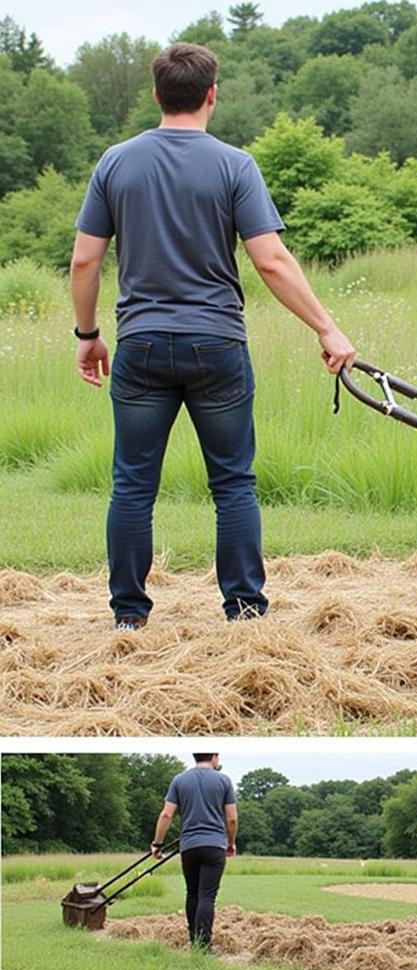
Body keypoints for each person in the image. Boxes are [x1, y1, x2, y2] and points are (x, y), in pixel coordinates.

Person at [70, 41, 356, 629]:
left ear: (156, 94)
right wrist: (327, 328)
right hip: (217, 345)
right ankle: (245, 611)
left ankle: (128, 617)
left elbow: (84, 262)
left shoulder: (115, 162)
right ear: (212, 95)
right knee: (232, 483)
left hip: (142, 345)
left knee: (132, 484)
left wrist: (89, 333)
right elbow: (272, 261)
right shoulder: (234, 165)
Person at [153, 752, 237, 951]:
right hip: (215, 845)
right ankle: (204, 946)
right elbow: (232, 818)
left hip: (189, 845)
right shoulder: (224, 780)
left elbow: (166, 815)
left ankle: (193, 941)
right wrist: (231, 843)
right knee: (207, 896)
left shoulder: (179, 780)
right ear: (214, 756)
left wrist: (158, 843)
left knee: (192, 894)